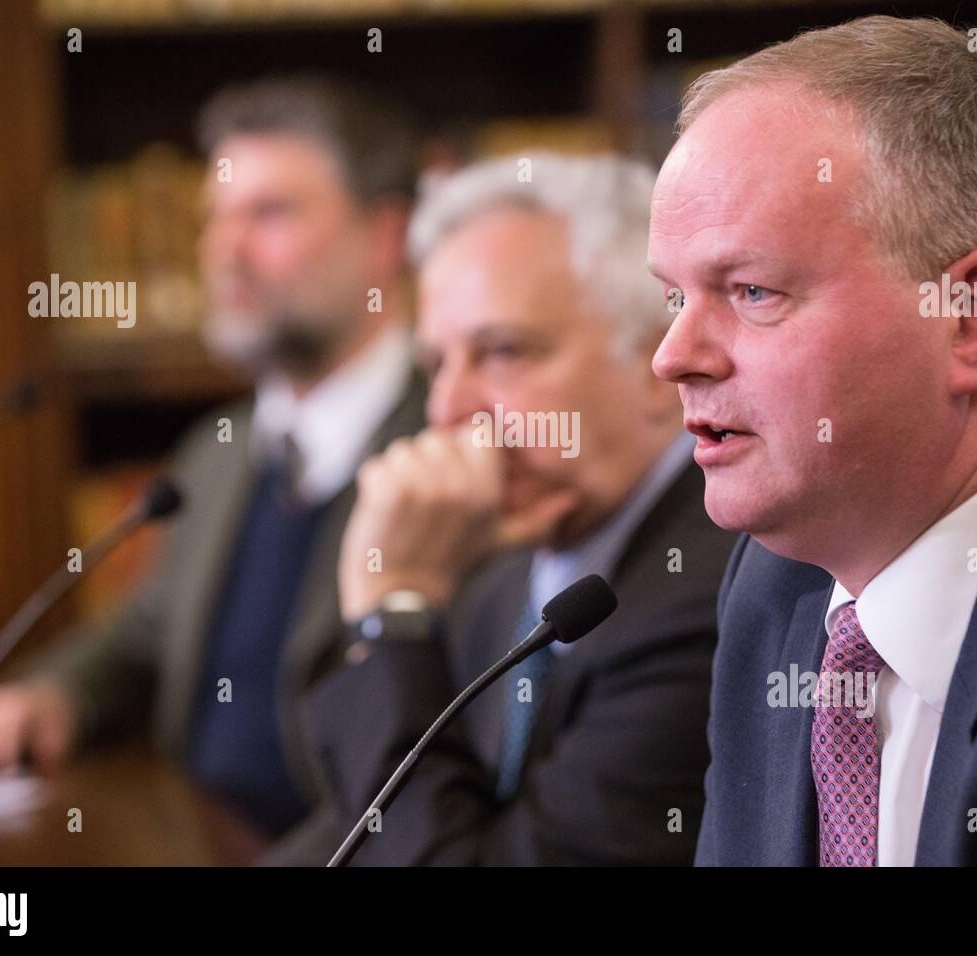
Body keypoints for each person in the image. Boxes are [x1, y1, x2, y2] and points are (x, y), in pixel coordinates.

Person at [648, 17, 977, 865]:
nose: (673, 357)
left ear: (971, 318)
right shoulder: (778, 581)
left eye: (750, 291)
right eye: (675, 297)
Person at [0, 76, 426, 840]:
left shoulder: (447, 449)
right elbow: (142, 636)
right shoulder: (218, 452)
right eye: (213, 218)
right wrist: (54, 697)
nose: (225, 251)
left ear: (385, 232)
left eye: (269, 213)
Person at [268, 153, 736, 865]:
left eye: (503, 352)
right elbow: (355, 828)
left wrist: (394, 608)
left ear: (653, 364)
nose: (448, 411)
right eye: (436, 365)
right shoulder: (494, 569)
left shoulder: (712, 600)